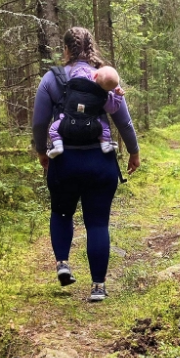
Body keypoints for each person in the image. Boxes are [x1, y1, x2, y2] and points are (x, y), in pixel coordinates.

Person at [32, 27, 140, 303]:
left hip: (64, 161)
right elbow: (124, 122)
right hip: (99, 162)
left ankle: (63, 265)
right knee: (97, 223)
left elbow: (40, 122)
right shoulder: (105, 78)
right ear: (93, 47)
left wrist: (42, 152)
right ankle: (98, 287)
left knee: (62, 213)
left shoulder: (51, 79)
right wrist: (133, 152)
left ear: (65, 49)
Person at [47, 64, 123, 159]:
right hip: (91, 127)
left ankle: (58, 145)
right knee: (105, 128)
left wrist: (88, 70)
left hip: (67, 123)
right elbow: (112, 109)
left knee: (53, 129)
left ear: (95, 75)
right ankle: (105, 145)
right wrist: (117, 96)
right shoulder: (104, 96)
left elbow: (76, 73)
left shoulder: (76, 82)